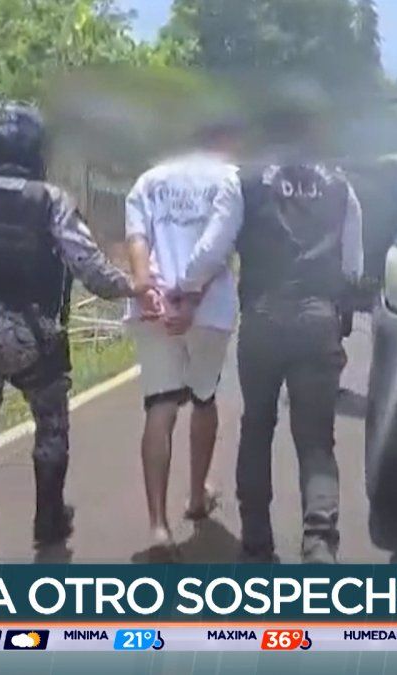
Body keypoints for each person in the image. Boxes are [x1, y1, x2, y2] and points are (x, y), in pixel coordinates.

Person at [0, 103, 153, 563]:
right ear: (35, 150)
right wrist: (134, 286)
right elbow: (89, 266)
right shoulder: (51, 200)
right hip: (34, 334)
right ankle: (48, 523)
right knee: (51, 426)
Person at [228, 110, 364, 564]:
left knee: (257, 426)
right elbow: (354, 266)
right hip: (317, 319)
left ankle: (255, 540)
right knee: (316, 439)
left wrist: (186, 289)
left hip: (263, 318)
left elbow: (215, 246)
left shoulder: (246, 181)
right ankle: (319, 542)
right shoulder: (341, 186)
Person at [124, 120, 244, 557]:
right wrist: (189, 295)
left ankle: (158, 526)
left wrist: (146, 285)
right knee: (204, 398)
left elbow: (136, 237)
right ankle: (196, 496)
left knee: (160, 405)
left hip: (153, 307)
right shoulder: (228, 179)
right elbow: (217, 244)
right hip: (206, 309)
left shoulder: (149, 181)